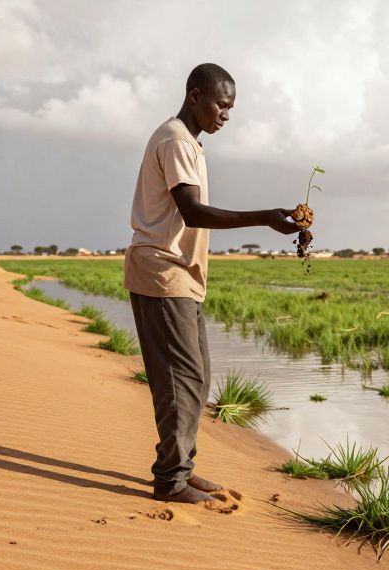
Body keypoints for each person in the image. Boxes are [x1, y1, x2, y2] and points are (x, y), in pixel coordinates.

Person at [124, 62, 300, 505]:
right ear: (195, 95)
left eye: (231, 108)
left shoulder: (191, 145)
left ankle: (180, 466)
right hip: (162, 272)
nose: (226, 114)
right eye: (222, 104)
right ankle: (170, 480)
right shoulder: (175, 140)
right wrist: (264, 218)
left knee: (195, 379)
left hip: (180, 274)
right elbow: (194, 213)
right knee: (180, 379)